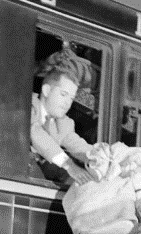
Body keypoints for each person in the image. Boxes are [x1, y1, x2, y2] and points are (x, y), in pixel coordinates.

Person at [31, 47, 94, 185]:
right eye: (63, 94)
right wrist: (69, 165)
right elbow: (36, 134)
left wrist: (97, 156)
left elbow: (77, 145)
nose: (67, 103)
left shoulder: (63, 123)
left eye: (71, 98)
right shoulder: (29, 106)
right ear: (46, 90)